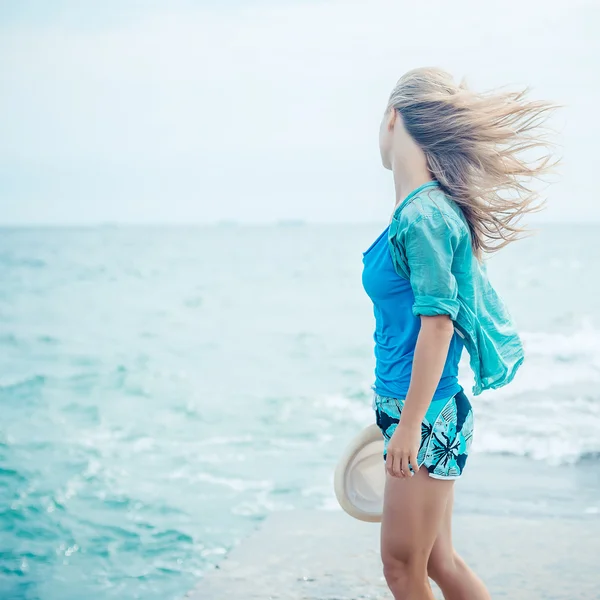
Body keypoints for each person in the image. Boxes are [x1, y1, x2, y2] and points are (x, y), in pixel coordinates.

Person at [361, 67, 557, 600]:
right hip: (418, 407)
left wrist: (409, 425)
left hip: (424, 414)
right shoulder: (418, 210)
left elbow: (439, 326)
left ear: (393, 117)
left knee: (402, 568)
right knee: (439, 562)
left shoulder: (423, 215)